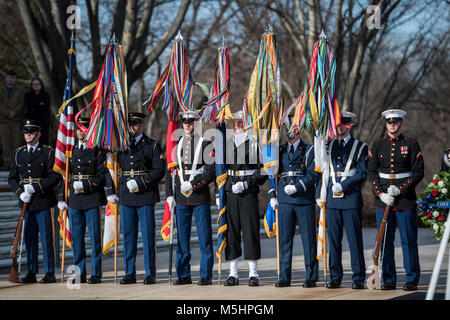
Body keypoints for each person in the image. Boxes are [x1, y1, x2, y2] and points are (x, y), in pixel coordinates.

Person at [367, 108, 424, 291]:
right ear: (386, 124)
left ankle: (412, 279)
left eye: (396, 122)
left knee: (408, 240)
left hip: (405, 201)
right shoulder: (377, 145)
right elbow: (371, 172)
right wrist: (381, 193)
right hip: (383, 201)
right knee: (385, 241)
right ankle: (389, 279)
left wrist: (400, 189)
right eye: (389, 122)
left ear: (401, 123)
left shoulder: (412, 144)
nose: (392, 125)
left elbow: (418, 172)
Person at [106, 112, 165, 285]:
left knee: (147, 236)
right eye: (130, 125)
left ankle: (150, 273)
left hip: (145, 195)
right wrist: (111, 190)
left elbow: (159, 171)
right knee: (129, 237)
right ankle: (129, 272)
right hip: (126, 195)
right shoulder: (120, 146)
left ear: (141, 126)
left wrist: (140, 182)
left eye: (136, 125)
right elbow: (110, 168)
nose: (133, 128)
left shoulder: (152, 145)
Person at [316, 111, 368, 289]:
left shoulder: (360, 147)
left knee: (354, 240)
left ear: (349, 126)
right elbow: (322, 170)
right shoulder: (328, 146)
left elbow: (362, 173)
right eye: (336, 126)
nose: (339, 129)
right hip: (332, 198)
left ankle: (358, 277)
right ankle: (335, 276)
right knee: (334, 241)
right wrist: (319, 194)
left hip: (351, 197)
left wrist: (344, 185)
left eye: (342, 126)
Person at [166, 110, 215, 286]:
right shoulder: (177, 144)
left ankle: (205, 274)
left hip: (199, 196)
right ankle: (183, 274)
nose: (187, 124)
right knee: (182, 239)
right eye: (185, 121)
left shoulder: (205, 144)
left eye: (191, 121)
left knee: (204, 238)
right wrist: (169, 195)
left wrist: (194, 184)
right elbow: (170, 171)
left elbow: (210, 172)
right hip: (181, 197)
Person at [8, 119, 61, 283]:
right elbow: (12, 178)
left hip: (44, 201)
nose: (27, 134)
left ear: (39, 134)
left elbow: (55, 176)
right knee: (29, 239)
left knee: (47, 239)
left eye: (31, 132)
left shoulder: (48, 152)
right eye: (25, 132)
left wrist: (36, 187)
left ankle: (50, 272)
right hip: (26, 203)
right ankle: (31, 271)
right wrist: (20, 193)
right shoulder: (19, 153)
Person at [269, 116, 319, 288]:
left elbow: (313, 174)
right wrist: (272, 195)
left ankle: (311, 276)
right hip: (284, 199)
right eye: (289, 127)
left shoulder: (309, 149)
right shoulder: (279, 150)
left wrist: (297, 186)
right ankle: (284, 277)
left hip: (303, 198)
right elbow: (271, 171)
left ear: (300, 130)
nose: (291, 131)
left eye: (295, 127)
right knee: (284, 240)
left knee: (309, 241)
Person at [57, 117, 106, 284]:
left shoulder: (97, 150)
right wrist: (62, 197)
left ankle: (96, 273)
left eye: (83, 129)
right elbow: (64, 176)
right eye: (78, 129)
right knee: (77, 238)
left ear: (89, 131)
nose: (80, 131)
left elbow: (102, 177)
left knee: (94, 239)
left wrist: (85, 185)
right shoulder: (70, 151)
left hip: (92, 198)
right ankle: (79, 273)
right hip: (75, 200)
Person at [221, 110, 267, 287]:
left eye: (240, 121)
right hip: (231, 190)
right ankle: (233, 273)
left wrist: (247, 183)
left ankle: (253, 273)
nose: (237, 124)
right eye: (235, 121)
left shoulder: (255, 142)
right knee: (231, 232)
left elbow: (263, 170)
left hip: (248, 191)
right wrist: (221, 193)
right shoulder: (227, 142)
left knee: (250, 231)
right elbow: (221, 169)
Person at [0, 70, 26, 170]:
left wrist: (15, 112)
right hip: (3, 121)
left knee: (17, 142)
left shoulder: (21, 89)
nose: (11, 79)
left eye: (13, 77)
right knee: (5, 143)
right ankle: (7, 163)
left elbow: (23, 103)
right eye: (9, 77)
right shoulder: (1, 89)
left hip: (17, 120)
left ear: (15, 79)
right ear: (5, 78)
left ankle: (17, 163)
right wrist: (8, 112)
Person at [24, 78, 51, 145]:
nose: (36, 85)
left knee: (44, 139)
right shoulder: (28, 95)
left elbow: (46, 106)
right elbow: (28, 105)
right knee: (32, 139)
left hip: (43, 122)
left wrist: (35, 104)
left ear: (41, 85)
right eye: (34, 84)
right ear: (31, 85)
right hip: (32, 121)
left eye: (37, 84)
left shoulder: (46, 95)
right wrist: (40, 104)